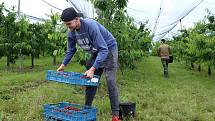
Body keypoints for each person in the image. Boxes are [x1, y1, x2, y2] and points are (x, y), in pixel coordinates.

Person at [57, 7, 121, 121]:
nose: (68, 27)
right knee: (89, 80)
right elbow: (71, 50)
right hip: (97, 52)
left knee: (110, 81)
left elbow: (104, 49)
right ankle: (86, 110)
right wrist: (63, 65)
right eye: (65, 24)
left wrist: (93, 68)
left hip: (109, 49)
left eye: (69, 24)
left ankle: (116, 115)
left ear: (77, 19)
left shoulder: (90, 26)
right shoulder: (71, 33)